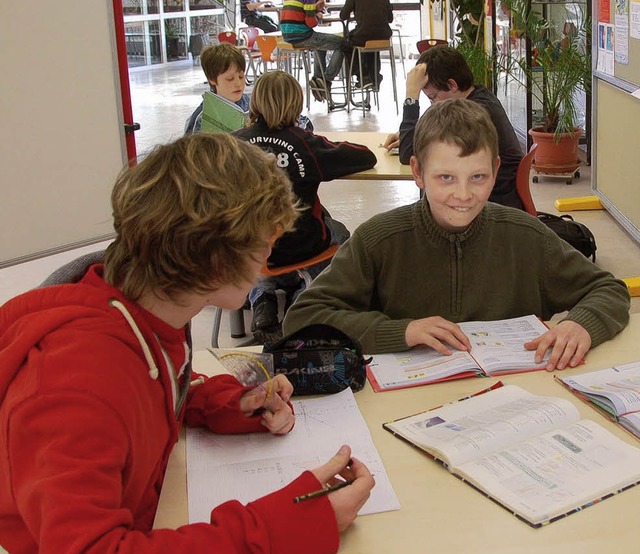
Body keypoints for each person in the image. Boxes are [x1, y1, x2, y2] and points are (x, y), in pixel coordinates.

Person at [0, 133, 375, 554]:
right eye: (263, 240)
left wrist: (233, 404)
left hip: (158, 526)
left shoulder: (146, 315)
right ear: (207, 254)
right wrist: (281, 526)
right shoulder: (71, 384)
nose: (270, 254)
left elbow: (160, 388)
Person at [284, 99, 630, 371]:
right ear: (418, 172)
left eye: (477, 177)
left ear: (495, 171)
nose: (463, 195)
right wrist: (401, 331)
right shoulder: (379, 240)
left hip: (515, 404)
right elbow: (303, 318)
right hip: (413, 406)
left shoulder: (526, 236)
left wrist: (582, 325)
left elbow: (607, 289)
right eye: (446, 178)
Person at [233, 71, 377, 342]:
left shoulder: (233, 144)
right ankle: (305, 300)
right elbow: (363, 156)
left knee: (251, 235)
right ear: (296, 105)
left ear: (256, 103)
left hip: (249, 249)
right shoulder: (306, 143)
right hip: (302, 245)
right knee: (341, 233)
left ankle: (262, 298)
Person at [384, 45, 525, 210]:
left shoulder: (473, 114)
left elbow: (407, 154)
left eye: (433, 97)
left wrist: (411, 96)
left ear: (452, 85)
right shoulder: (479, 97)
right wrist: (410, 134)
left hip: (491, 203)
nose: (433, 104)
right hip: (494, 194)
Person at [281, 0, 347, 102]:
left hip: (288, 36)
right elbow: (311, 23)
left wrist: (314, 9)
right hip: (303, 35)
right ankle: (326, 79)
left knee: (320, 46)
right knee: (343, 44)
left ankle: (317, 78)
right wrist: (316, 11)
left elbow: (301, 12)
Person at [340, 0, 393, 90]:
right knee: (371, 48)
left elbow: (343, 15)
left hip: (364, 34)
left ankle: (362, 76)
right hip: (384, 36)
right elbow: (390, 19)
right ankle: (374, 78)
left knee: (345, 44)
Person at [184, 43, 250, 135]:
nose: (238, 84)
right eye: (230, 79)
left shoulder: (252, 103)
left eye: (241, 76)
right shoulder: (202, 117)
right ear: (212, 79)